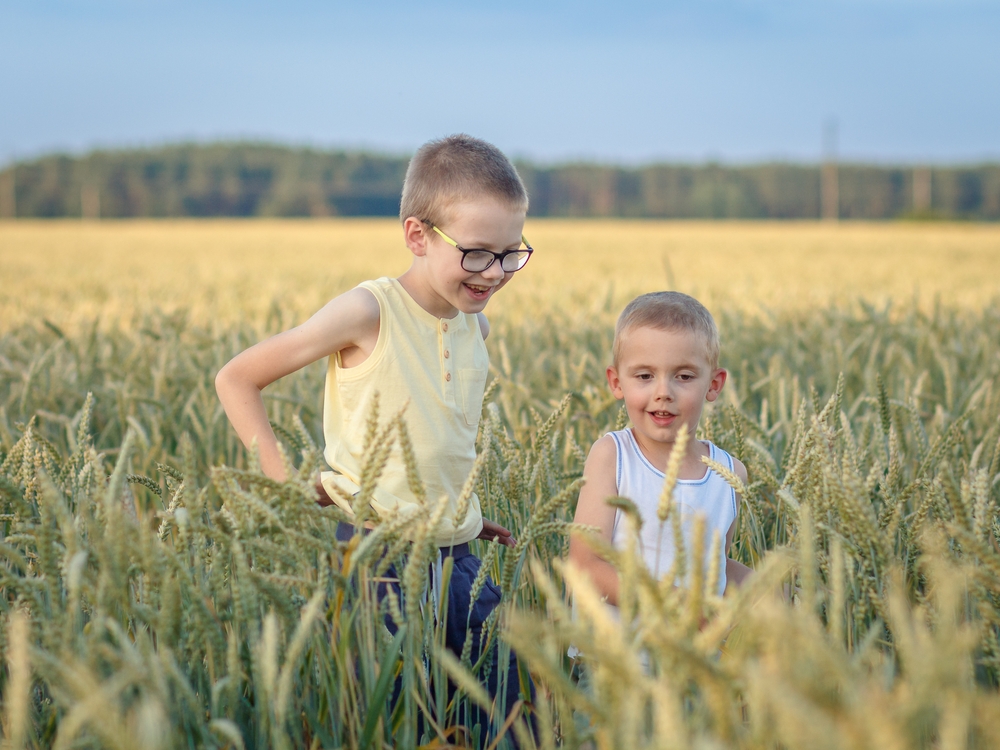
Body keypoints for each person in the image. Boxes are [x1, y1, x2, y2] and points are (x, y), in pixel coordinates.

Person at [215, 134, 534, 744]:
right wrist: (282, 485)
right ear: (418, 236)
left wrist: (466, 511)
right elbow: (237, 378)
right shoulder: (368, 312)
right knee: (386, 713)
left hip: (454, 552)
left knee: (508, 702)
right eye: (475, 254)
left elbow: (442, 435)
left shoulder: (475, 325)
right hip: (371, 556)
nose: (493, 272)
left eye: (509, 254)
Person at [570, 291, 753, 612]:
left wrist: (772, 592)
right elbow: (587, 564)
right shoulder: (612, 457)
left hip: (695, 658)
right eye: (644, 376)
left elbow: (716, 569)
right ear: (616, 382)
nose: (663, 393)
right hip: (616, 655)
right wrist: (672, 608)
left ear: (714, 384)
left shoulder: (730, 474)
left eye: (683, 376)